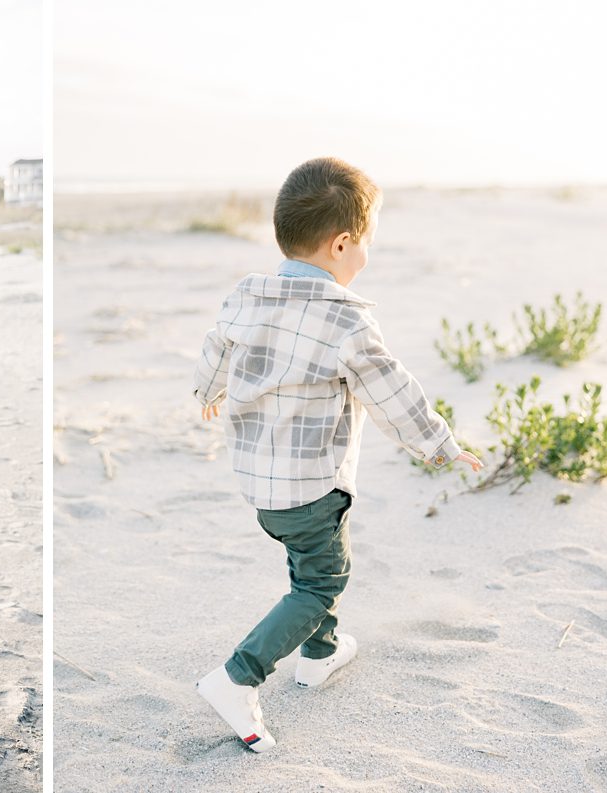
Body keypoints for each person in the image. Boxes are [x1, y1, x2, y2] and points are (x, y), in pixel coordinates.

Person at [191, 157, 483, 752]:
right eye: (366, 243)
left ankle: (320, 655)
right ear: (342, 243)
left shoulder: (248, 295)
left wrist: (208, 391)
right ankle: (237, 677)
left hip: (258, 483)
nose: (366, 254)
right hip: (312, 487)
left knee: (308, 561)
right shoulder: (344, 320)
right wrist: (439, 444)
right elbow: (391, 389)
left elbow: (216, 346)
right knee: (324, 581)